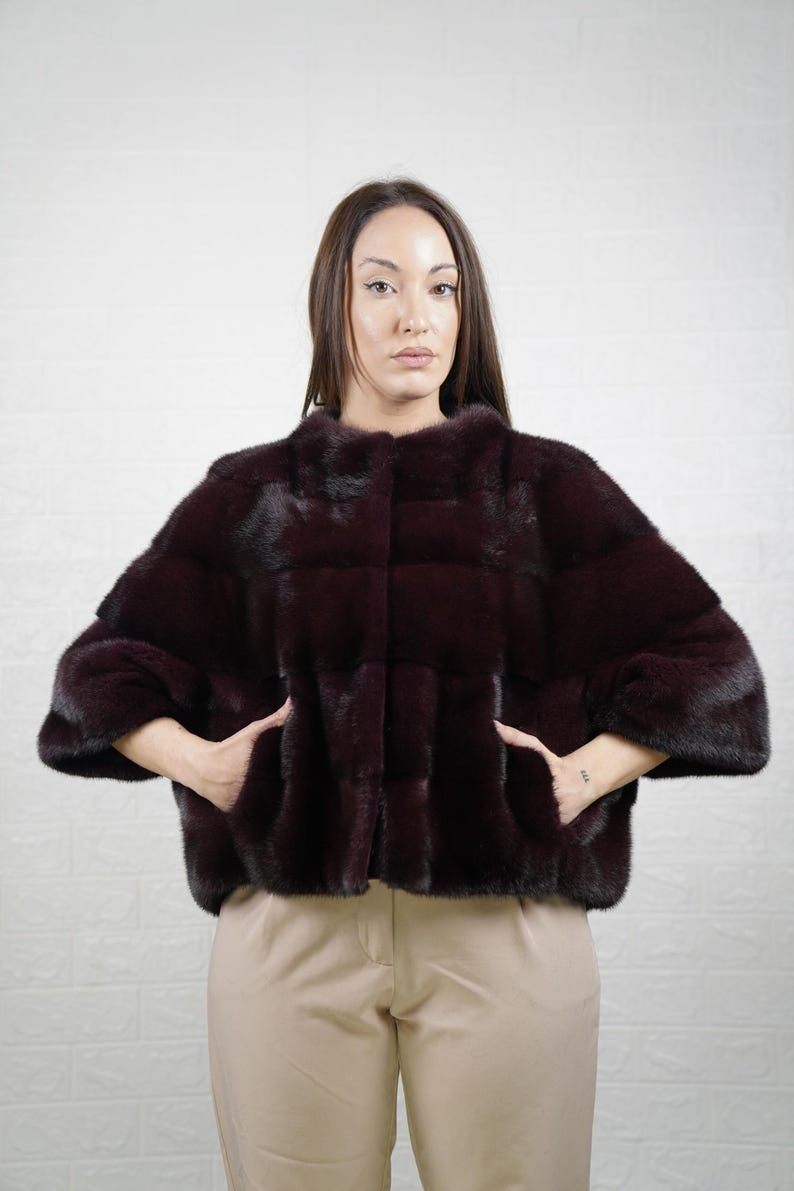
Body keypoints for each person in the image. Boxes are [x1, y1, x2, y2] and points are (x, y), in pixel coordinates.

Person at [37, 177, 770, 1191]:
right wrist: (202, 767)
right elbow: (95, 679)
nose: (414, 315)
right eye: (380, 285)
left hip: (504, 926)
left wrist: (584, 774)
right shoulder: (251, 497)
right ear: (332, 304)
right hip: (291, 931)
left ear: (465, 311)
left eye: (441, 286)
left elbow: (717, 671)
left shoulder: (545, 490)